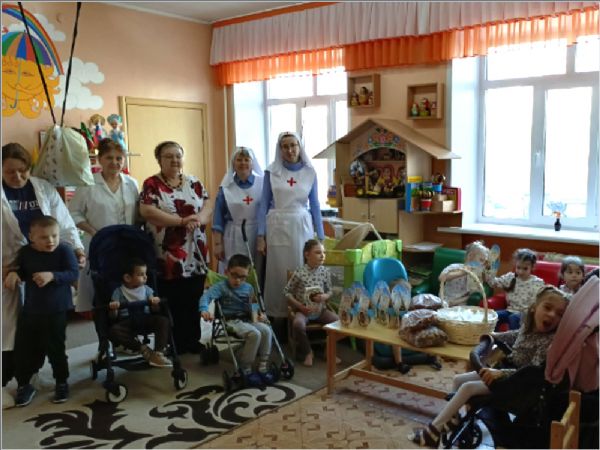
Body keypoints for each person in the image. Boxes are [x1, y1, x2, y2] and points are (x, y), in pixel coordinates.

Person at [409, 285, 569, 447]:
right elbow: (516, 336)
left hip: (516, 385)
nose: (552, 315)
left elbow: (531, 372)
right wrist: (496, 336)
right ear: (534, 307)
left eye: (559, 314)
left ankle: (433, 430)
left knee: (468, 388)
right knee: (458, 380)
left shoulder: (548, 342)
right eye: (547, 308)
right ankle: (454, 419)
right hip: (505, 373)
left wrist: (501, 374)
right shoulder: (528, 328)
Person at [1, 143, 84, 409]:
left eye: (22, 170)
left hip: (45, 259)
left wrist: (77, 248)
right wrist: (10, 270)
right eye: (10, 172)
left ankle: (39, 376)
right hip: (8, 264)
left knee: (48, 335)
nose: (17, 177)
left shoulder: (43, 188)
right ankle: (13, 380)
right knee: (10, 329)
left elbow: (63, 221)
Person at [139, 140, 212, 354]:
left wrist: (197, 220)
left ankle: (193, 340)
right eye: (168, 156)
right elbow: (147, 211)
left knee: (194, 296)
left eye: (178, 156)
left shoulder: (194, 181)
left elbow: (208, 205)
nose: (174, 160)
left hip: (195, 251)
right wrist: (181, 221)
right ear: (159, 160)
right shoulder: (152, 184)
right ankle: (174, 342)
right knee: (173, 298)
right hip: (168, 253)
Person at [3, 216, 79, 406]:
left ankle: (61, 382)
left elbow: (73, 272)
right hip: (31, 309)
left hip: (56, 309)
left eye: (54, 236)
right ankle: (24, 384)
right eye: (44, 237)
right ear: (31, 237)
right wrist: (14, 273)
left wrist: (52, 275)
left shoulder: (64, 250)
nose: (50, 241)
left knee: (56, 348)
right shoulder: (26, 252)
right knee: (25, 349)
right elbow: (23, 270)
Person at [256, 131, 324, 334]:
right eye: (285, 146)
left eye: (293, 145)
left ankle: (301, 313)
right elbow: (263, 205)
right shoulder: (271, 172)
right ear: (280, 149)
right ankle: (278, 316)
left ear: (299, 147)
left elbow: (315, 205)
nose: (290, 150)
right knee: (278, 272)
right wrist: (260, 235)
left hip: (302, 225)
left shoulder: (310, 172)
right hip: (277, 224)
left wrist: (320, 236)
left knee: (301, 269)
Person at [69, 138, 139, 313]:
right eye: (109, 157)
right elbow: (74, 213)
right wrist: (94, 232)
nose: (114, 162)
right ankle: (102, 328)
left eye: (119, 158)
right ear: (100, 159)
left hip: (127, 245)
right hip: (98, 245)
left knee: (126, 288)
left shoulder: (131, 183)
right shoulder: (87, 183)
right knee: (102, 290)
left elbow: (138, 213)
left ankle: (126, 325)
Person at [199, 254, 275, 386]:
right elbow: (206, 297)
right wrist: (204, 310)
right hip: (231, 321)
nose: (238, 280)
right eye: (234, 275)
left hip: (248, 319)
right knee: (254, 334)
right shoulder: (221, 287)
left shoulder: (249, 288)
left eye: (242, 277)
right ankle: (246, 368)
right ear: (227, 272)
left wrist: (260, 315)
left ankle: (263, 365)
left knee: (267, 330)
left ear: (247, 275)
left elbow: (254, 305)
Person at [108, 257, 172, 368]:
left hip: (145, 319)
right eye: (141, 274)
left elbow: (155, 310)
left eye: (145, 274)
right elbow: (113, 317)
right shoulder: (118, 292)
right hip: (127, 321)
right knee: (114, 331)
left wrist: (155, 304)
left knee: (163, 321)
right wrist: (114, 309)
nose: (145, 277)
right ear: (127, 278)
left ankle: (158, 352)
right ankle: (142, 348)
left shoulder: (147, 290)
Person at [284, 239, 339, 366]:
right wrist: (299, 306)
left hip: (320, 310)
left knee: (338, 322)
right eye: (318, 252)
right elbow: (287, 292)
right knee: (298, 324)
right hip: (304, 310)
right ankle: (308, 352)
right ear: (307, 255)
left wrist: (325, 296)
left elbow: (330, 290)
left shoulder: (325, 271)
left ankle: (329, 351)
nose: (322, 255)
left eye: (323, 253)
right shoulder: (299, 272)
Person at [212, 146, 263, 274]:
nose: (243, 163)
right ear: (233, 164)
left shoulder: (262, 184)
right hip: (233, 235)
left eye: (246, 160)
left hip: (256, 234)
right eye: (239, 160)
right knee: (233, 270)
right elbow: (218, 218)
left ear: (252, 163)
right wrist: (217, 244)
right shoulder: (226, 187)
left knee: (255, 271)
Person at [486, 248, 545, 330]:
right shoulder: (510, 277)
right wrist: (489, 270)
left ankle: (515, 338)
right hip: (510, 311)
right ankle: (493, 337)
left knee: (513, 318)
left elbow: (539, 303)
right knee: (494, 316)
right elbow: (493, 283)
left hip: (525, 314)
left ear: (532, 267)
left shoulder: (537, 283)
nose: (520, 272)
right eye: (518, 267)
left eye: (525, 268)